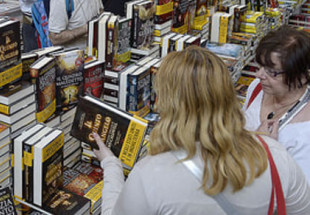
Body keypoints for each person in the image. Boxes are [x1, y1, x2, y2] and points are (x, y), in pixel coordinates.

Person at [94, 46, 310, 214]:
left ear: (168, 102)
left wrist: (111, 164)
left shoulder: (149, 174)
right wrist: (264, 144)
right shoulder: (276, 156)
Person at [243, 26, 310, 182]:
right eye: (259, 66)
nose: (258, 75)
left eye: (272, 72)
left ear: (301, 76)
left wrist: (267, 151)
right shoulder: (257, 89)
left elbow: (300, 195)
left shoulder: (305, 130)